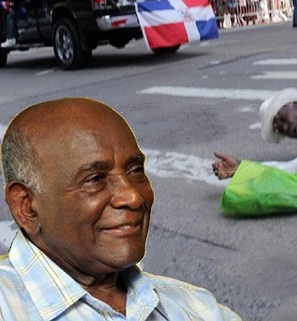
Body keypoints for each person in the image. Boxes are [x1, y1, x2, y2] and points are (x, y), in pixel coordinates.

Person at [0, 98, 241, 320]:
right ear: (27, 206)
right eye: (95, 179)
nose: (134, 197)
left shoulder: (198, 307)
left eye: (136, 171)